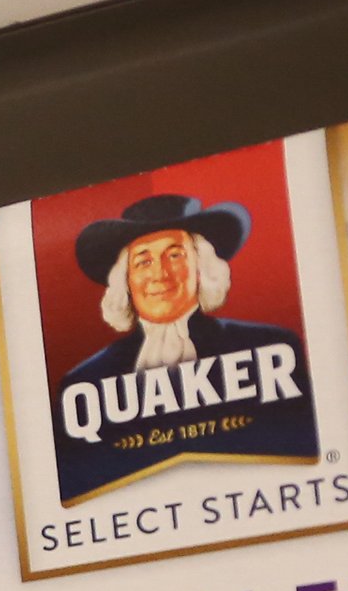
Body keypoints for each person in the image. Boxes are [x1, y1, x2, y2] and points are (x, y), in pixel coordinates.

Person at [55, 193, 316, 492]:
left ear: (202, 268)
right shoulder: (85, 384)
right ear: (125, 280)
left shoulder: (269, 352)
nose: (159, 274)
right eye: (143, 261)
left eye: (175, 255)